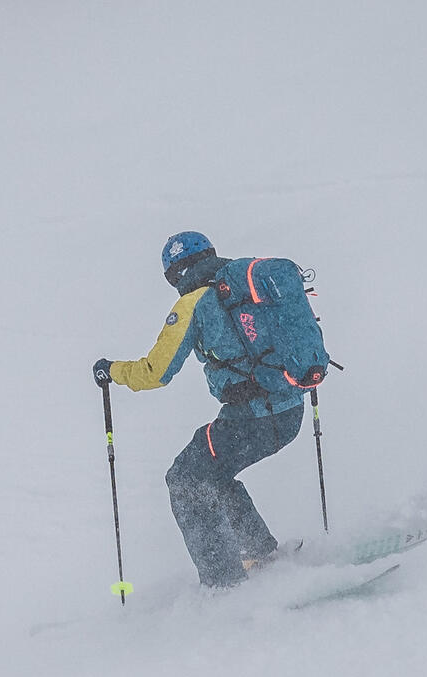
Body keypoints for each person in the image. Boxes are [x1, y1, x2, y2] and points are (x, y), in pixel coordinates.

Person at [94, 231, 327, 587]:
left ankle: (223, 584)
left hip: (252, 422)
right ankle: (262, 556)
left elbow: (155, 373)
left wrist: (111, 371)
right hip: (290, 412)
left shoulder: (193, 304)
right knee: (211, 474)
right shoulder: (248, 289)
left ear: (175, 275)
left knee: (185, 478)